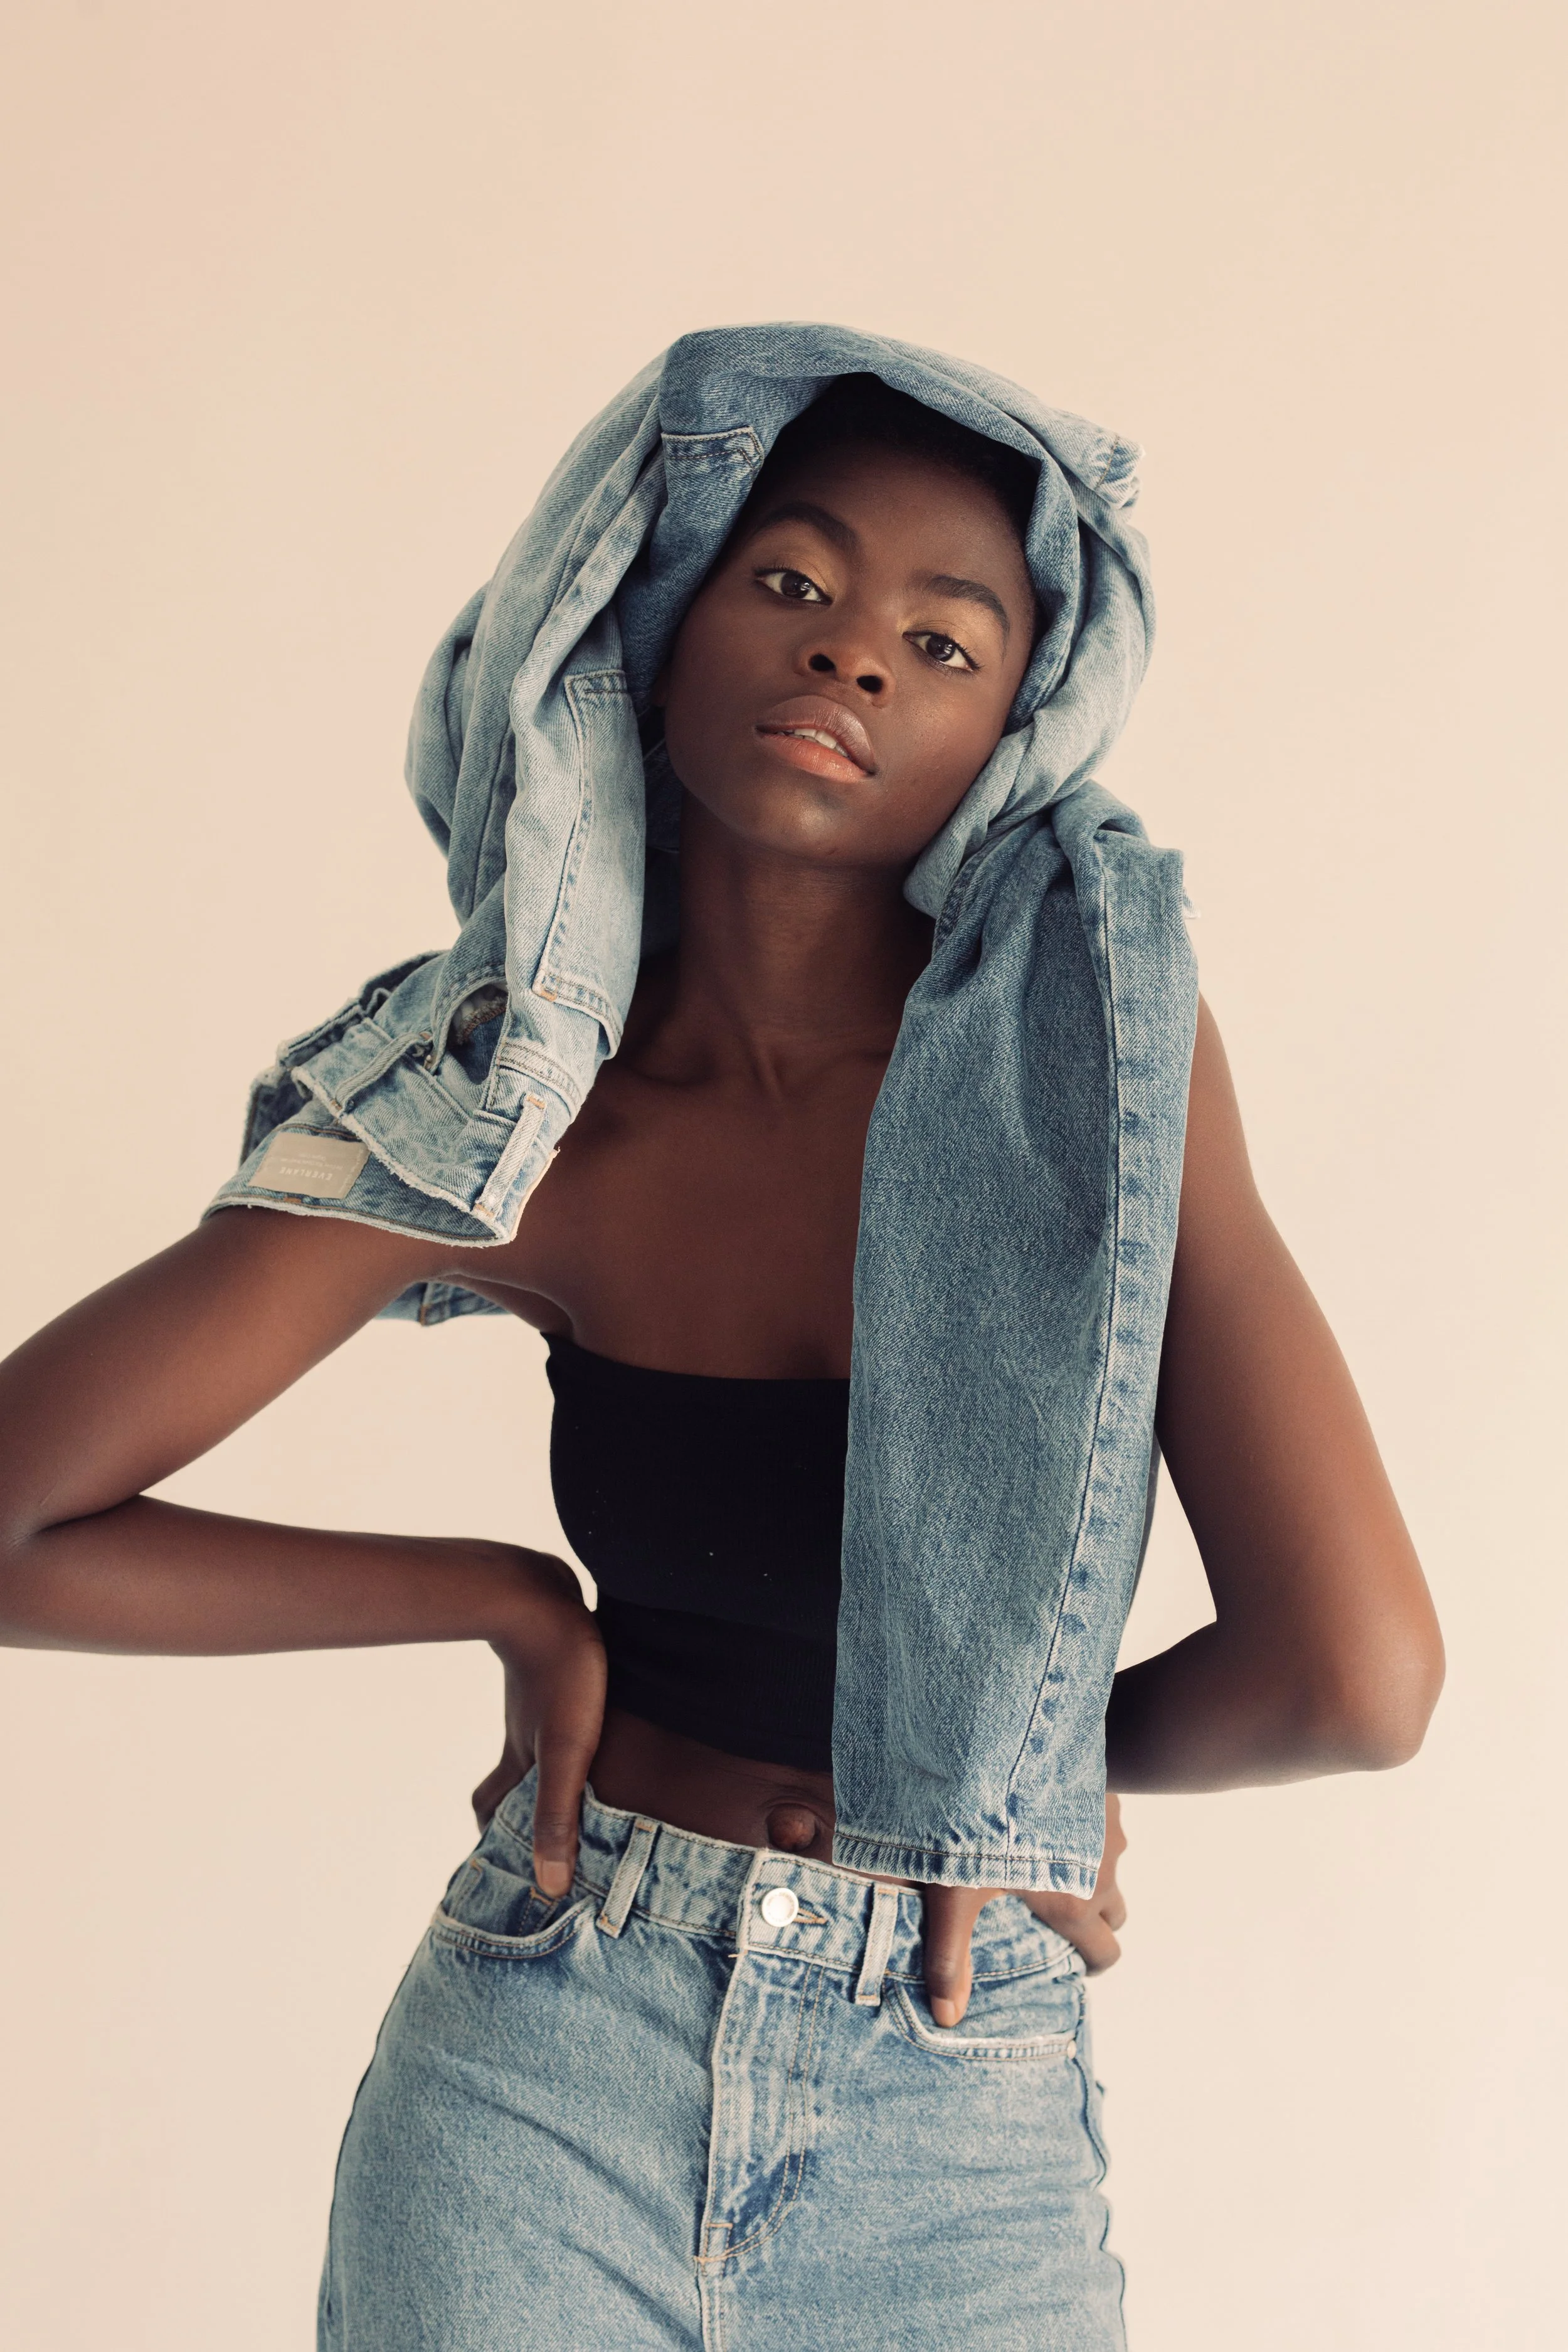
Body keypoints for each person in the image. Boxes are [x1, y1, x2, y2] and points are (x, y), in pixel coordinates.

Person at [0, 333, 1443, 2349]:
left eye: (942, 642)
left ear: (1012, 732)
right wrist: (502, 1596)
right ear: (651, 630)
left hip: (944, 2103)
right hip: (541, 2072)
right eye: (790, 580)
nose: (853, 654)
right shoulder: (519, 1105)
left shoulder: (1094, 1061)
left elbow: (1359, 1675)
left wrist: (1002, 1760)